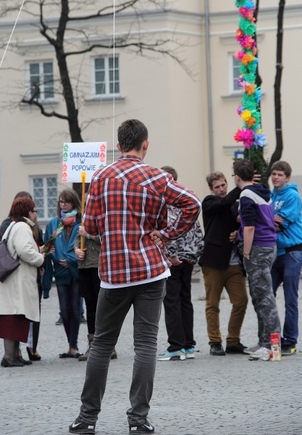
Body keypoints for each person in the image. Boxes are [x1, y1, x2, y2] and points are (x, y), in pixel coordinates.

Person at [69, 119, 201, 435]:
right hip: (151, 271)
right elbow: (193, 203)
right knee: (145, 344)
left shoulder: (100, 178)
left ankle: (87, 418)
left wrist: (97, 229)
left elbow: (94, 227)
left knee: (101, 344)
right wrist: (167, 233)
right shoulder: (158, 177)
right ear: (146, 144)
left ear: (119, 145)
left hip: (114, 273)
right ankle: (138, 419)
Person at [233, 159, 281, 357]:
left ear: (236, 176)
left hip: (258, 248)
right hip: (269, 245)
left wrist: (246, 251)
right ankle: (263, 342)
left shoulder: (246, 195)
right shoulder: (261, 190)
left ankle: (273, 347)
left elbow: (250, 227)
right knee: (260, 297)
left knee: (265, 298)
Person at [199, 172, 248, 356]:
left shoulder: (234, 204)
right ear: (212, 189)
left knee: (241, 301)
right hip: (213, 262)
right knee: (213, 304)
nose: (221, 189)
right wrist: (239, 186)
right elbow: (223, 204)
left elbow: (239, 222)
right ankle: (215, 342)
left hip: (234, 262)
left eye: (223, 185)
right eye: (217, 186)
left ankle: (233, 341)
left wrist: (238, 233)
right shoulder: (209, 202)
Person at [157, 165, 204, 361]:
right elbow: (198, 233)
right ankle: (188, 345)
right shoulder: (187, 202)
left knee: (172, 301)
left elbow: (171, 233)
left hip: (174, 260)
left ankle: (176, 346)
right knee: (185, 300)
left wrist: (172, 256)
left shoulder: (168, 206)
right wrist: (193, 256)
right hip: (188, 258)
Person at [0, 196, 44, 367]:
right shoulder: (22, 227)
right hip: (16, 281)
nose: (36, 214)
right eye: (34, 210)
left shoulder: (14, 225)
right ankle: (9, 357)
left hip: (12, 280)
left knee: (15, 318)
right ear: (28, 211)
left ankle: (13, 355)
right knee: (12, 319)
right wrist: (40, 258)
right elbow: (24, 251)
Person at [270, 160, 302, 355]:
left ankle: (290, 340)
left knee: (290, 298)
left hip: (292, 251)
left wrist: (264, 219)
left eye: (280, 174)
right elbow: (270, 221)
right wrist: (268, 219)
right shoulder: (270, 196)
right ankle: (273, 337)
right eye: (274, 174)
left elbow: (278, 224)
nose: (275, 177)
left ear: (287, 177)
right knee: (267, 296)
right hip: (276, 253)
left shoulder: (292, 196)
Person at [42, 188, 82, 358]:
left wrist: (71, 259)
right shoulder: (54, 223)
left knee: (76, 309)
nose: (63, 204)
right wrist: (49, 253)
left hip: (76, 271)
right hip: (60, 271)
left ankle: (74, 345)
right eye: (61, 201)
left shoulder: (80, 222)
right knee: (64, 310)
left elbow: (83, 246)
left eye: (66, 201)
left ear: (74, 202)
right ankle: (70, 345)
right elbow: (48, 245)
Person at [75, 224, 117, 361]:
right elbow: (77, 240)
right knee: (90, 306)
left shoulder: (104, 219)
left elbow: (108, 239)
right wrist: (76, 250)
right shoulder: (84, 222)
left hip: (100, 265)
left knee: (104, 306)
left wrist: (88, 235)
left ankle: (108, 344)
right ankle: (93, 342)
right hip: (85, 266)